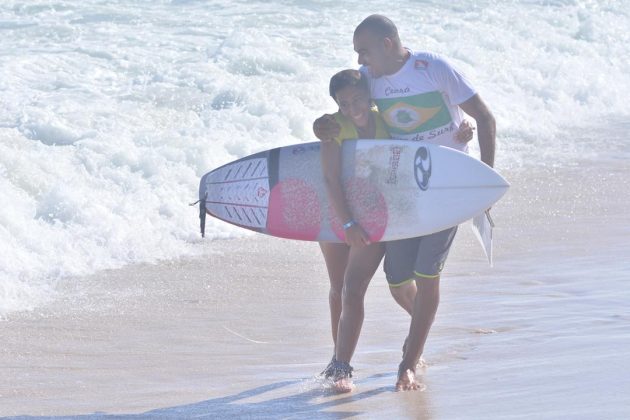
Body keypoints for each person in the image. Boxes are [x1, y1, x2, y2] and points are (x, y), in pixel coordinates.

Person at [313, 15, 496, 392]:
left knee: (427, 275)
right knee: (397, 282)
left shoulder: (434, 68)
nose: (360, 59)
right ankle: (410, 341)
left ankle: (407, 364)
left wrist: (484, 183)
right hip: (399, 194)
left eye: (363, 50)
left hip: (444, 189)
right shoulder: (370, 82)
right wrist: (321, 126)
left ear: (387, 43)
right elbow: (345, 108)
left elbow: (485, 118)